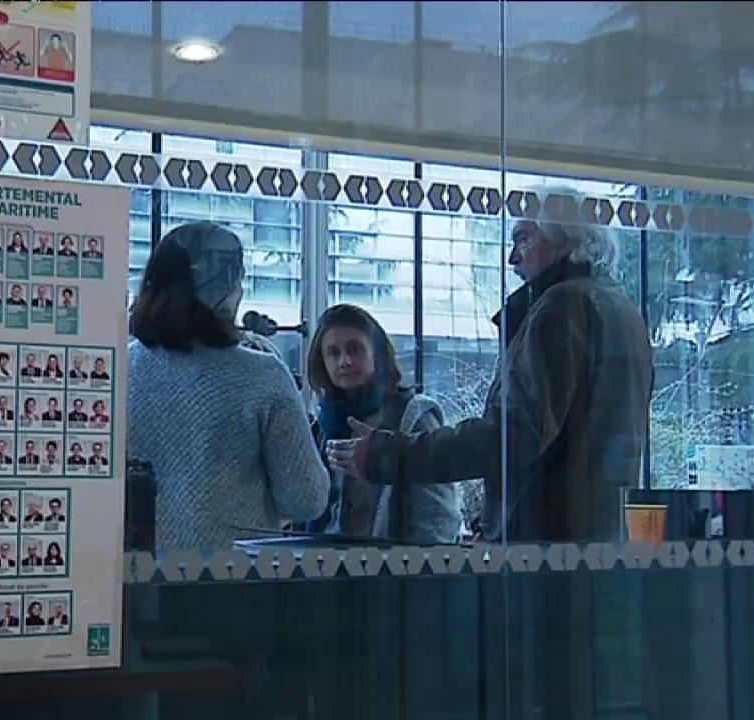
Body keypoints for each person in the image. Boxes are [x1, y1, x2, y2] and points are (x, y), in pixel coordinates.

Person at [326, 220, 654, 544]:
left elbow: (513, 435)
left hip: (547, 550)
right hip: (595, 541)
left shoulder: (560, 308)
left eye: (524, 239)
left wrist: (387, 454)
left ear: (566, 241)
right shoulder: (622, 311)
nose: (513, 258)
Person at [127, 222, 328, 547]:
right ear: (227, 288)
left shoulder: (119, 369)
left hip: (133, 580)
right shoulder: (262, 374)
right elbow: (305, 499)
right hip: (232, 579)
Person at [305, 304, 460, 542]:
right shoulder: (321, 428)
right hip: (324, 570)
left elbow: (438, 517)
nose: (344, 361)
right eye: (334, 353)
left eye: (354, 350)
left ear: (376, 354)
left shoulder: (412, 417)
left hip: (394, 571)